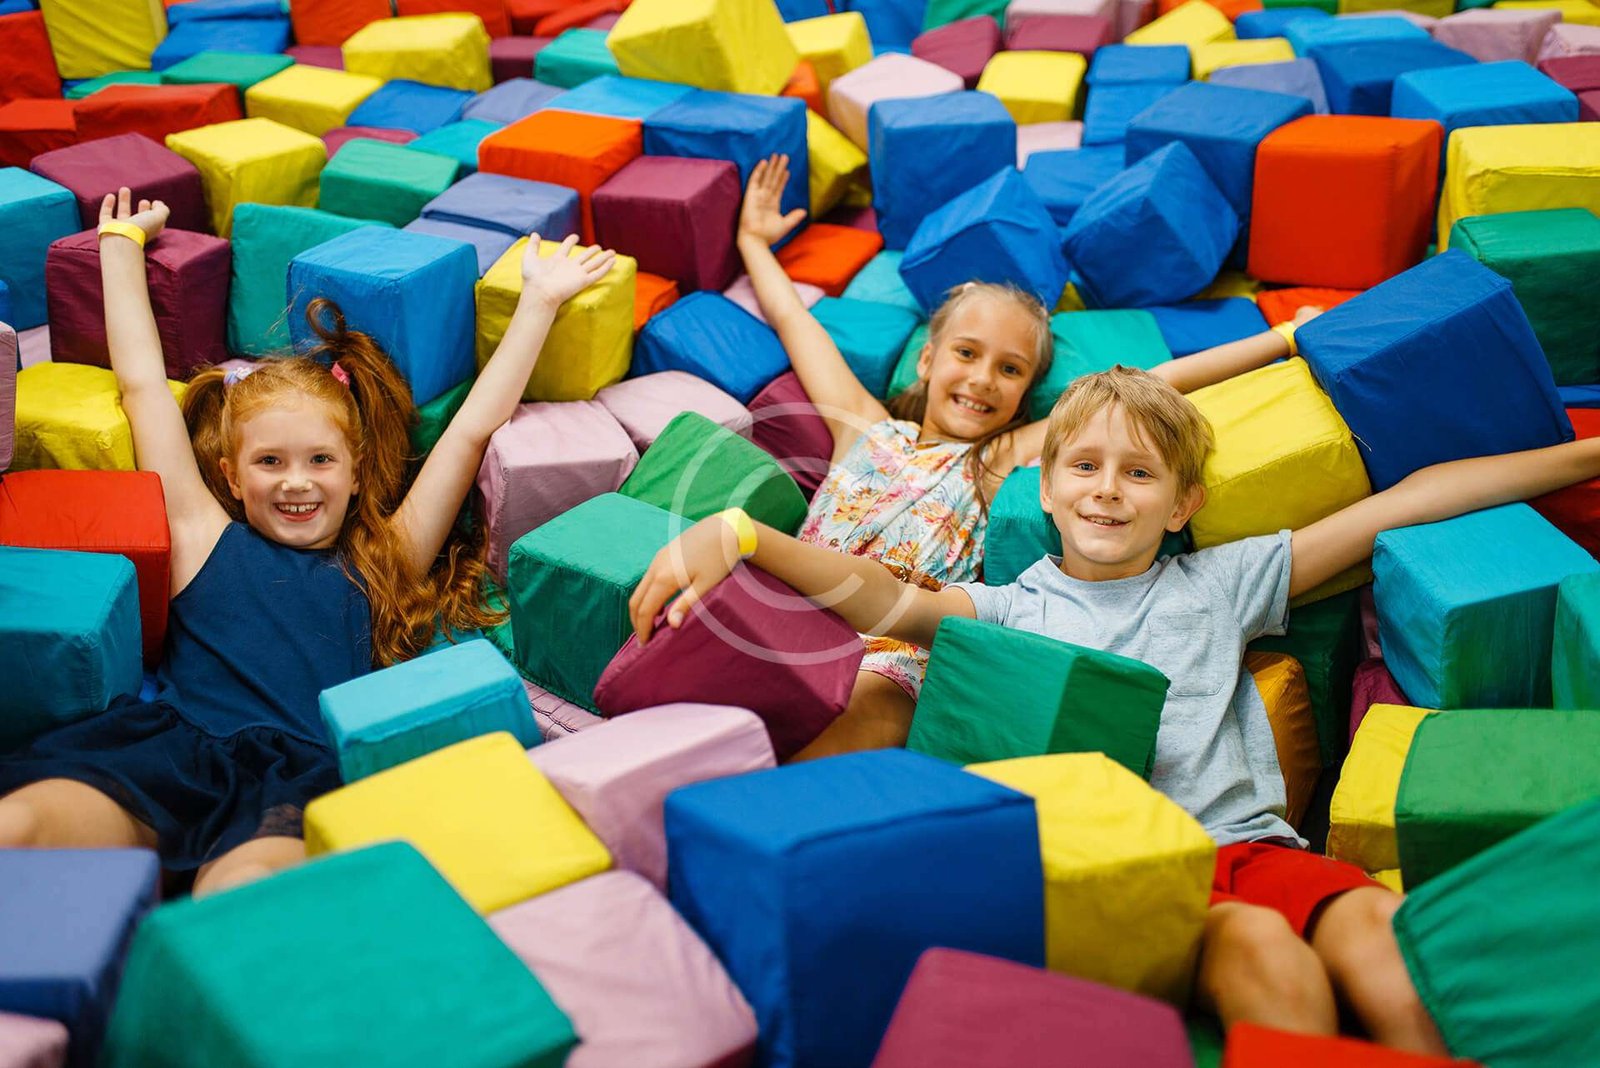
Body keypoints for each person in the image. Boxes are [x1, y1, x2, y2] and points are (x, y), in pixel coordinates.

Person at [628, 365, 1600, 1053]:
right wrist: (743, 533)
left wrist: (1580, 456)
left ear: (1181, 505)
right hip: (1129, 872)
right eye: (1085, 468)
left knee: (1377, 932)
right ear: (1046, 492)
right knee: (1264, 953)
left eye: (1139, 474)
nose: (1107, 490)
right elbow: (885, 600)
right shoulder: (1008, 610)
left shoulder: (1222, 581)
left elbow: (1407, 502)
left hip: (1251, 847)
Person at [0, 189, 616, 895]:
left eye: (320, 460)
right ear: (232, 478)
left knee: (243, 892)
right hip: (171, 753)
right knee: (19, 825)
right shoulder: (201, 535)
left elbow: (471, 429)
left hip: (291, 779)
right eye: (270, 462)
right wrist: (119, 245)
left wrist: (539, 301)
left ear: (355, 474)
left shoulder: (384, 559)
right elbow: (142, 388)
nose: (296, 482)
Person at [739, 153, 1321, 758]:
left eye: (1010, 369)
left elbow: (1161, 380)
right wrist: (754, 241)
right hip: (795, 606)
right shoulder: (865, 426)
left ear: (1025, 395)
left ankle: (772, 796)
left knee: (866, 706)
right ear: (928, 359)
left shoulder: (996, 458)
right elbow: (794, 321)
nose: (983, 379)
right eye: (967, 353)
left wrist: (1283, 339)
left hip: (892, 653)